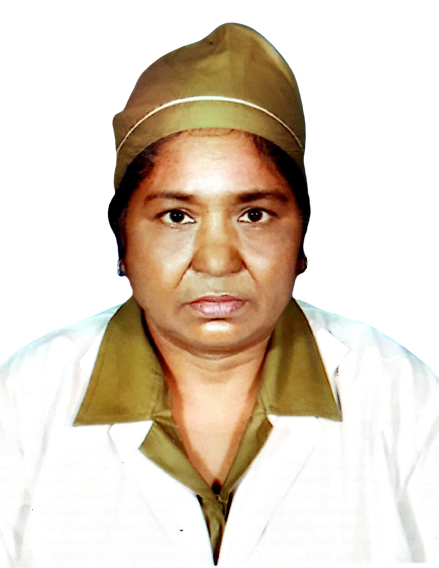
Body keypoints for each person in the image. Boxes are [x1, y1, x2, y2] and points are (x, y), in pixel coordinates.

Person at [0, 23, 438, 567]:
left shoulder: (399, 397)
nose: (216, 260)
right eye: (176, 216)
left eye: (254, 214)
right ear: (122, 242)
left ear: (301, 238)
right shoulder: (24, 401)